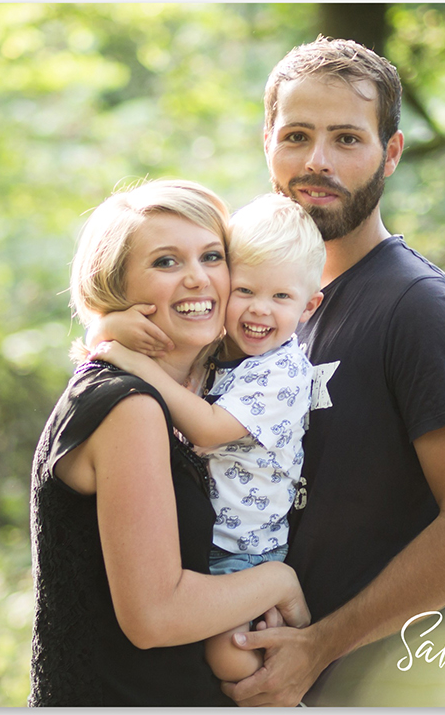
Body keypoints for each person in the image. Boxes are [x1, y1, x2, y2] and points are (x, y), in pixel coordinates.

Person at [93, 38, 445, 707]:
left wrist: (320, 646)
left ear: (391, 154)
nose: (317, 162)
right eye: (297, 135)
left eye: (347, 138)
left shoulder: (421, 311)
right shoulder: (257, 300)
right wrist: (112, 332)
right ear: (267, 143)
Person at [28, 179, 309, 706]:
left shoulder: (216, 389)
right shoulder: (127, 406)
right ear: (114, 286)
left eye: (212, 256)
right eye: (165, 262)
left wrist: (106, 331)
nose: (198, 279)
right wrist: (279, 581)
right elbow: (154, 616)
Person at [90, 192, 326, 683]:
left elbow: (209, 429)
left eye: (281, 297)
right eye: (245, 291)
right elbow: (164, 333)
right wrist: (111, 325)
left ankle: (300, 675)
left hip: (246, 548)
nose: (260, 311)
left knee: (234, 659)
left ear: (309, 306)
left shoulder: (282, 372)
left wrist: (131, 363)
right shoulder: (226, 351)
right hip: (212, 543)